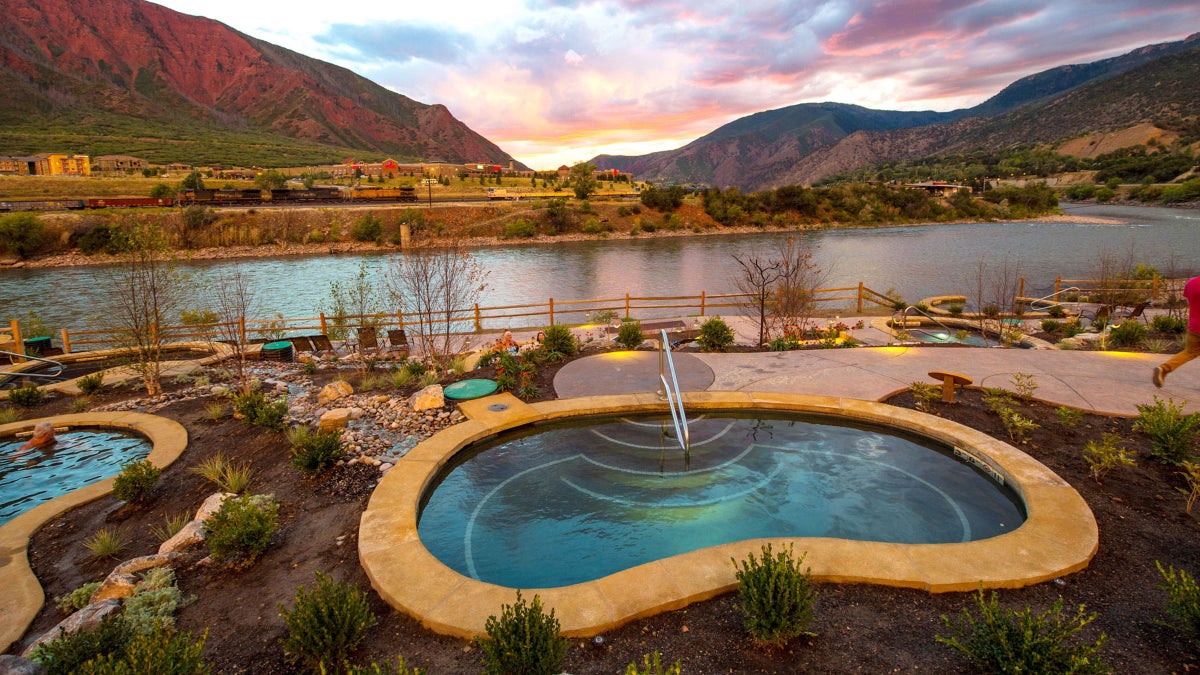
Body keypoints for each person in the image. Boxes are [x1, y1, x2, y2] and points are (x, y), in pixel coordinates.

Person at [1154, 276, 1200, 387]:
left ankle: (1164, 369)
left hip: (1194, 326)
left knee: (1189, 353)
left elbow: (1189, 300)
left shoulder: (1192, 283)